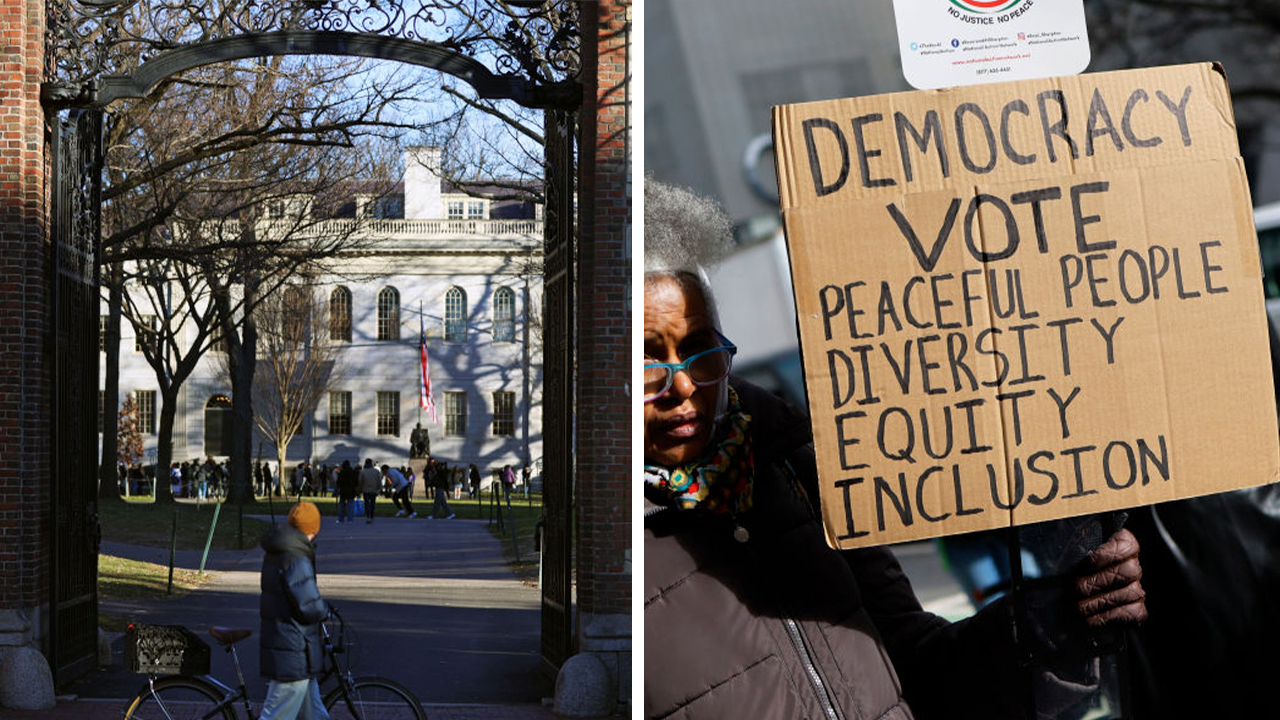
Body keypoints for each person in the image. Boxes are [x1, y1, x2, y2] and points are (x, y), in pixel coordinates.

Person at [642, 179, 1148, 719]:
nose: (683, 386)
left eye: (699, 350)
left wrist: (1057, 620)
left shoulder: (798, 471)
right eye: (646, 360)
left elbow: (921, 667)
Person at [258, 502, 331, 720]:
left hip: (290, 644)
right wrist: (324, 610)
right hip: (293, 647)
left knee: (314, 713)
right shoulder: (296, 556)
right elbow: (308, 604)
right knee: (278, 714)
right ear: (313, 528)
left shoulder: (280, 549)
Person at [358, 459, 382, 524]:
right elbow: (379, 480)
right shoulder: (376, 471)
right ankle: (372, 516)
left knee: (367, 503)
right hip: (374, 490)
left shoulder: (362, 472)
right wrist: (379, 488)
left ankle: (368, 516)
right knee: (372, 504)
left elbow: (360, 481)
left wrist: (359, 489)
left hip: (365, 489)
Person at [336, 460, 358, 524]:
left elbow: (338, 482)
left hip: (343, 491)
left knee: (342, 505)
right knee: (350, 506)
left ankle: (340, 519)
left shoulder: (341, 472)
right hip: (351, 491)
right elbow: (356, 481)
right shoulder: (352, 472)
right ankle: (350, 519)